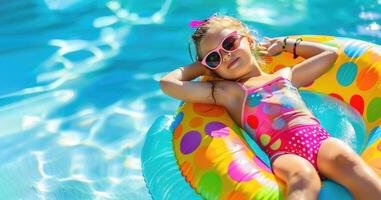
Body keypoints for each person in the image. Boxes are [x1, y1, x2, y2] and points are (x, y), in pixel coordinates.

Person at [159, 14, 381, 200]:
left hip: (319, 140)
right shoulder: (230, 93)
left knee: (347, 160)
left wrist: (285, 44)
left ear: (249, 40)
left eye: (229, 43)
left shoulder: (285, 76)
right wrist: (201, 68)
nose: (226, 55)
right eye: (215, 58)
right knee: (303, 177)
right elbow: (168, 84)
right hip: (283, 152)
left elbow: (329, 55)